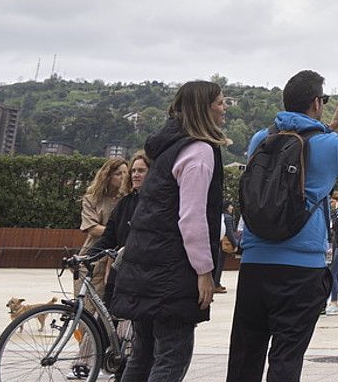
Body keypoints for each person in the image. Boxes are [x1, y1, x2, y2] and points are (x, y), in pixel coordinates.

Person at [224, 70, 338, 382]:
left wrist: (330, 123)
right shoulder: (331, 145)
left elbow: (299, 142)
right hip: (301, 267)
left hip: (255, 263)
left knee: (246, 353)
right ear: (316, 102)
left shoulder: (261, 139)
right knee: (286, 355)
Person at [109, 81, 228, 382]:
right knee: (172, 358)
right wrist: (205, 271)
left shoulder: (166, 150)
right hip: (173, 272)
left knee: (142, 355)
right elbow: (192, 217)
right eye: (220, 102)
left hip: (145, 266)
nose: (224, 107)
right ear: (204, 109)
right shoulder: (199, 151)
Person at [98, 151, 151, 306]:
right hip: (120, 271)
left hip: (142, 275)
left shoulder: (157, 203)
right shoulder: (125, 203)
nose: (135, 175)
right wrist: (88, 256)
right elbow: (109, 237)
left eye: (141, 171)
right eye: (133, 171)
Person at [80, 157, 129, 300]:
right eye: (118, 174)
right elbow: (92, 228)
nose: (123, 177)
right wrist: (118, 232)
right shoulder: (91, 198)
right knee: (86, 308)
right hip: (94, 255)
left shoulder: (129, 199)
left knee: (112, 310)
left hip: (119, 258)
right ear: (107, 175)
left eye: (126, 173)